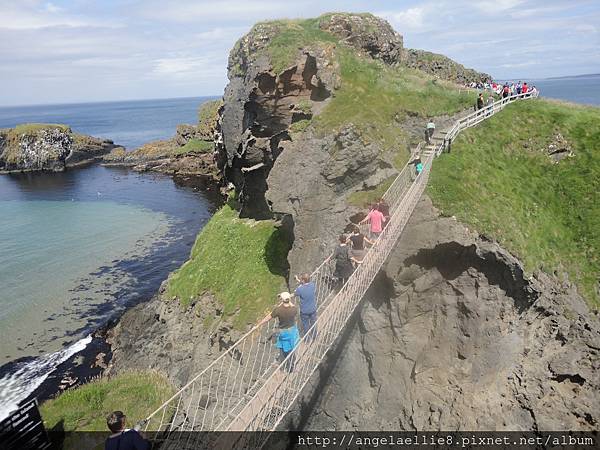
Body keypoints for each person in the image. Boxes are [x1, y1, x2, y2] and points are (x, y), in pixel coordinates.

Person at [255, 292, 299, 372]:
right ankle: (289, 367)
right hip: (292, 331)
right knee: (289, 347)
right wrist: (288, 302)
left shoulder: (278, 310)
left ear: (282, 300)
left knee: (284, 348)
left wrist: (258, 325)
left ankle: (286, 367)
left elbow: (268, 317)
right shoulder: (294, 309)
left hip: (283, 332)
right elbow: (292, 306)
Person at [294, 273, 317, 339]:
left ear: (303, 280)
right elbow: (305, 284)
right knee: (313, 323)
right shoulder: (312, 285)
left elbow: (295, 294)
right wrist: (297, 279)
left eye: (301, 279)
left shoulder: (300, 289)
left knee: (305, 325)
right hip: (313, 309)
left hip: (304, 311)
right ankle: (314, 336)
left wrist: (286, 297)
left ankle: (307, 339)